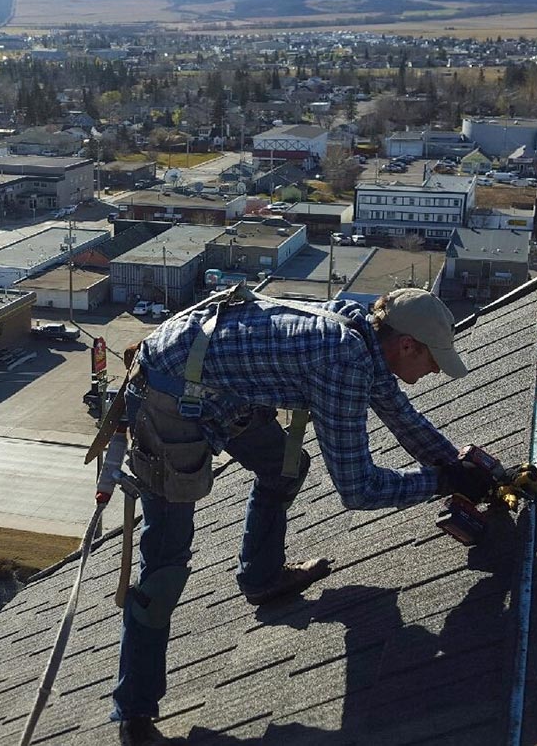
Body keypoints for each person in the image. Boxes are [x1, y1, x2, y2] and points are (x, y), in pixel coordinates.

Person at [111, 287, 499, 746]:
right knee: (164, 568)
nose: (434, 371)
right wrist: (442, 483)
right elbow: (359, 489)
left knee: (284, 467)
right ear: (407, 345)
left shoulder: (364, 336)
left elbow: (400, 416)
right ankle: (134, 713)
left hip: (215, 387)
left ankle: (262, 576)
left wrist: (456, 465)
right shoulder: (342, 359)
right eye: (433, 360)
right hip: (169, 395)